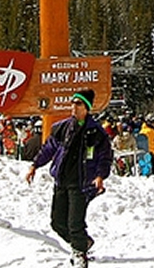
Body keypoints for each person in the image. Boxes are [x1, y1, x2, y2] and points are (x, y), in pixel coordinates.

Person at [26, 90, 112, 268]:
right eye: (72, 103)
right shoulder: (62, 127)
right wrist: (35, 165)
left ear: (86, 108)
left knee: (75, 222)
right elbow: (48, 149)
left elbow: (105, 156)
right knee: (57, 222)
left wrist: (100, 176)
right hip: (62, 180)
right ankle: (82, 243)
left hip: (81, 182)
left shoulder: (96, 132)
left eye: (78, 104)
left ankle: (80, 254)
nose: (74, 106)